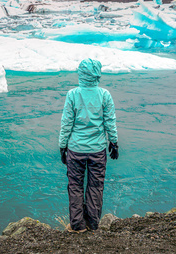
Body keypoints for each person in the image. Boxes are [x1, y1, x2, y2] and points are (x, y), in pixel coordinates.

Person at [58, 58, 119, 233]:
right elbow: (110, 122)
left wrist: (63, 146)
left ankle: (77, 226)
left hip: (75, 149)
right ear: (97, 74)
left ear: (81, 74)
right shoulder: (104, 95)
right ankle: (93, 224)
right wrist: (113, 142)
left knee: (75, 186)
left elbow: (66, 123)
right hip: (97, 150)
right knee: (95, 187)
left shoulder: (72, 94)